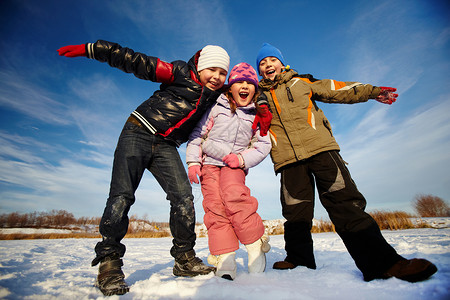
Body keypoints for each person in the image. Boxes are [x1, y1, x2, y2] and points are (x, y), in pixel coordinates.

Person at [57, 41, 231, 296]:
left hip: (166, 146)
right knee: (121, 196)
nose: (216, 77)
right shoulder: (178, 72)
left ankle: (184, 258)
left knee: (183, 197)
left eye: (222, 72)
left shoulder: (216, 95)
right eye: (212, 70)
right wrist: (94, 49)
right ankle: (109, 263)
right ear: (200, 66)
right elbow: (135, 60)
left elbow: (243, 88)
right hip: (138, 131)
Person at [255, 43, 438, 282]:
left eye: (272, 60)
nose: (268, 65)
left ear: (282, 63)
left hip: (321, 151)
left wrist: (372, 91)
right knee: (295, 213)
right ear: (259, 71)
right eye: (262, 63)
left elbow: (337, 89)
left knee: (345, 205)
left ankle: (384, 263)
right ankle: (299, 261)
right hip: (288, 160)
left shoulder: (302, 82)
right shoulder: (257, 96)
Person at [185, 62, 271, 280]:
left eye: (249, 83)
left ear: (255, 88)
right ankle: (225, 257)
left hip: (235, 165)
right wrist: (193, 162)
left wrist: (242, 159)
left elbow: (263, 145)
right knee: (214, 206)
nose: (244, 86)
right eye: (239, 82)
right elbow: (197, 134)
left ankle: (254, 244)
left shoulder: (257, 114)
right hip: (210, 164)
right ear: (230, 87)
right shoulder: (216, 106)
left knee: (234, 197)